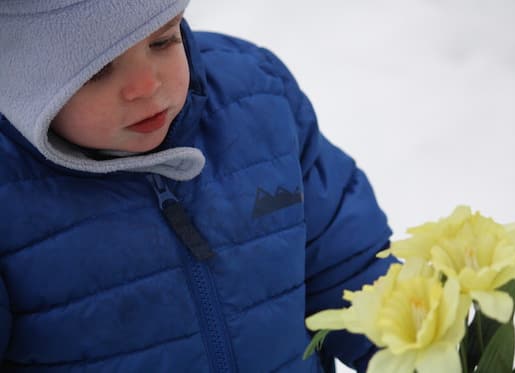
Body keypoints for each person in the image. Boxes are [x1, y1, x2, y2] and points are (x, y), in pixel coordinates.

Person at [0, 1, 397, 371]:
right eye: (95, 69)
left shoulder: (258, 101)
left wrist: (425, 352)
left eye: (162, 40)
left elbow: (351, 269)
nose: (146, 85)